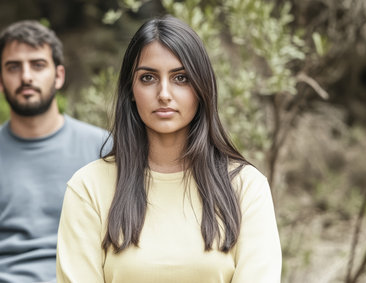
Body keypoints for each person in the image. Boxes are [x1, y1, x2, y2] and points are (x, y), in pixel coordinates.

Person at [56, 15, 282, 283]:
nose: (164, 93)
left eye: (181, 78)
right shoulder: (88, 187)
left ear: (201, 88)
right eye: (149, 77)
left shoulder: (246, 187)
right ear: (131, 89)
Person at [0, 20, 109, 283]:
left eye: (38, 65)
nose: (26, 76)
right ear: (0, 80)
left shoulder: (103, 148)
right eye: (13, 67)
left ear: (59, 76)